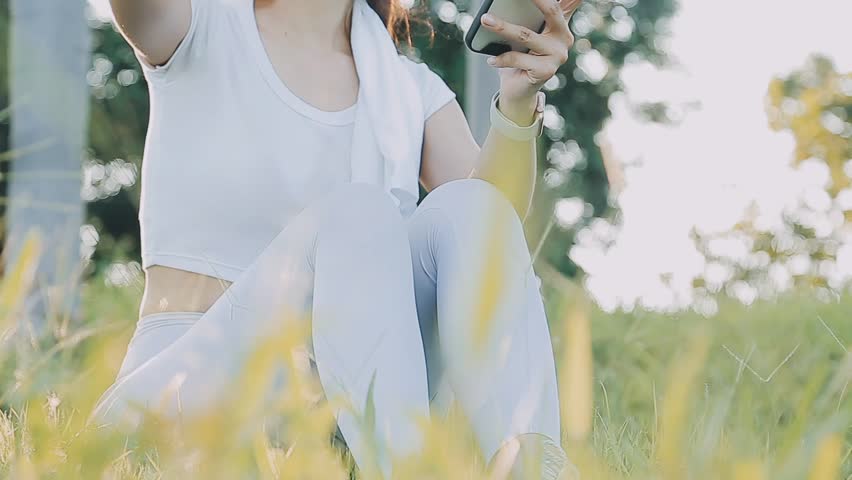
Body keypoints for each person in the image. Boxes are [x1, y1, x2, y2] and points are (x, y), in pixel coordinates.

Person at [91, 0, 580, 477]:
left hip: (338, 423)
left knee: (474, 205)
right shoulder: (197, 24)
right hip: (183, 400)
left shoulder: (407, 88)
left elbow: (491, 239)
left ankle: (534, 467)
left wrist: (517, 100)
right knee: (359, 211)